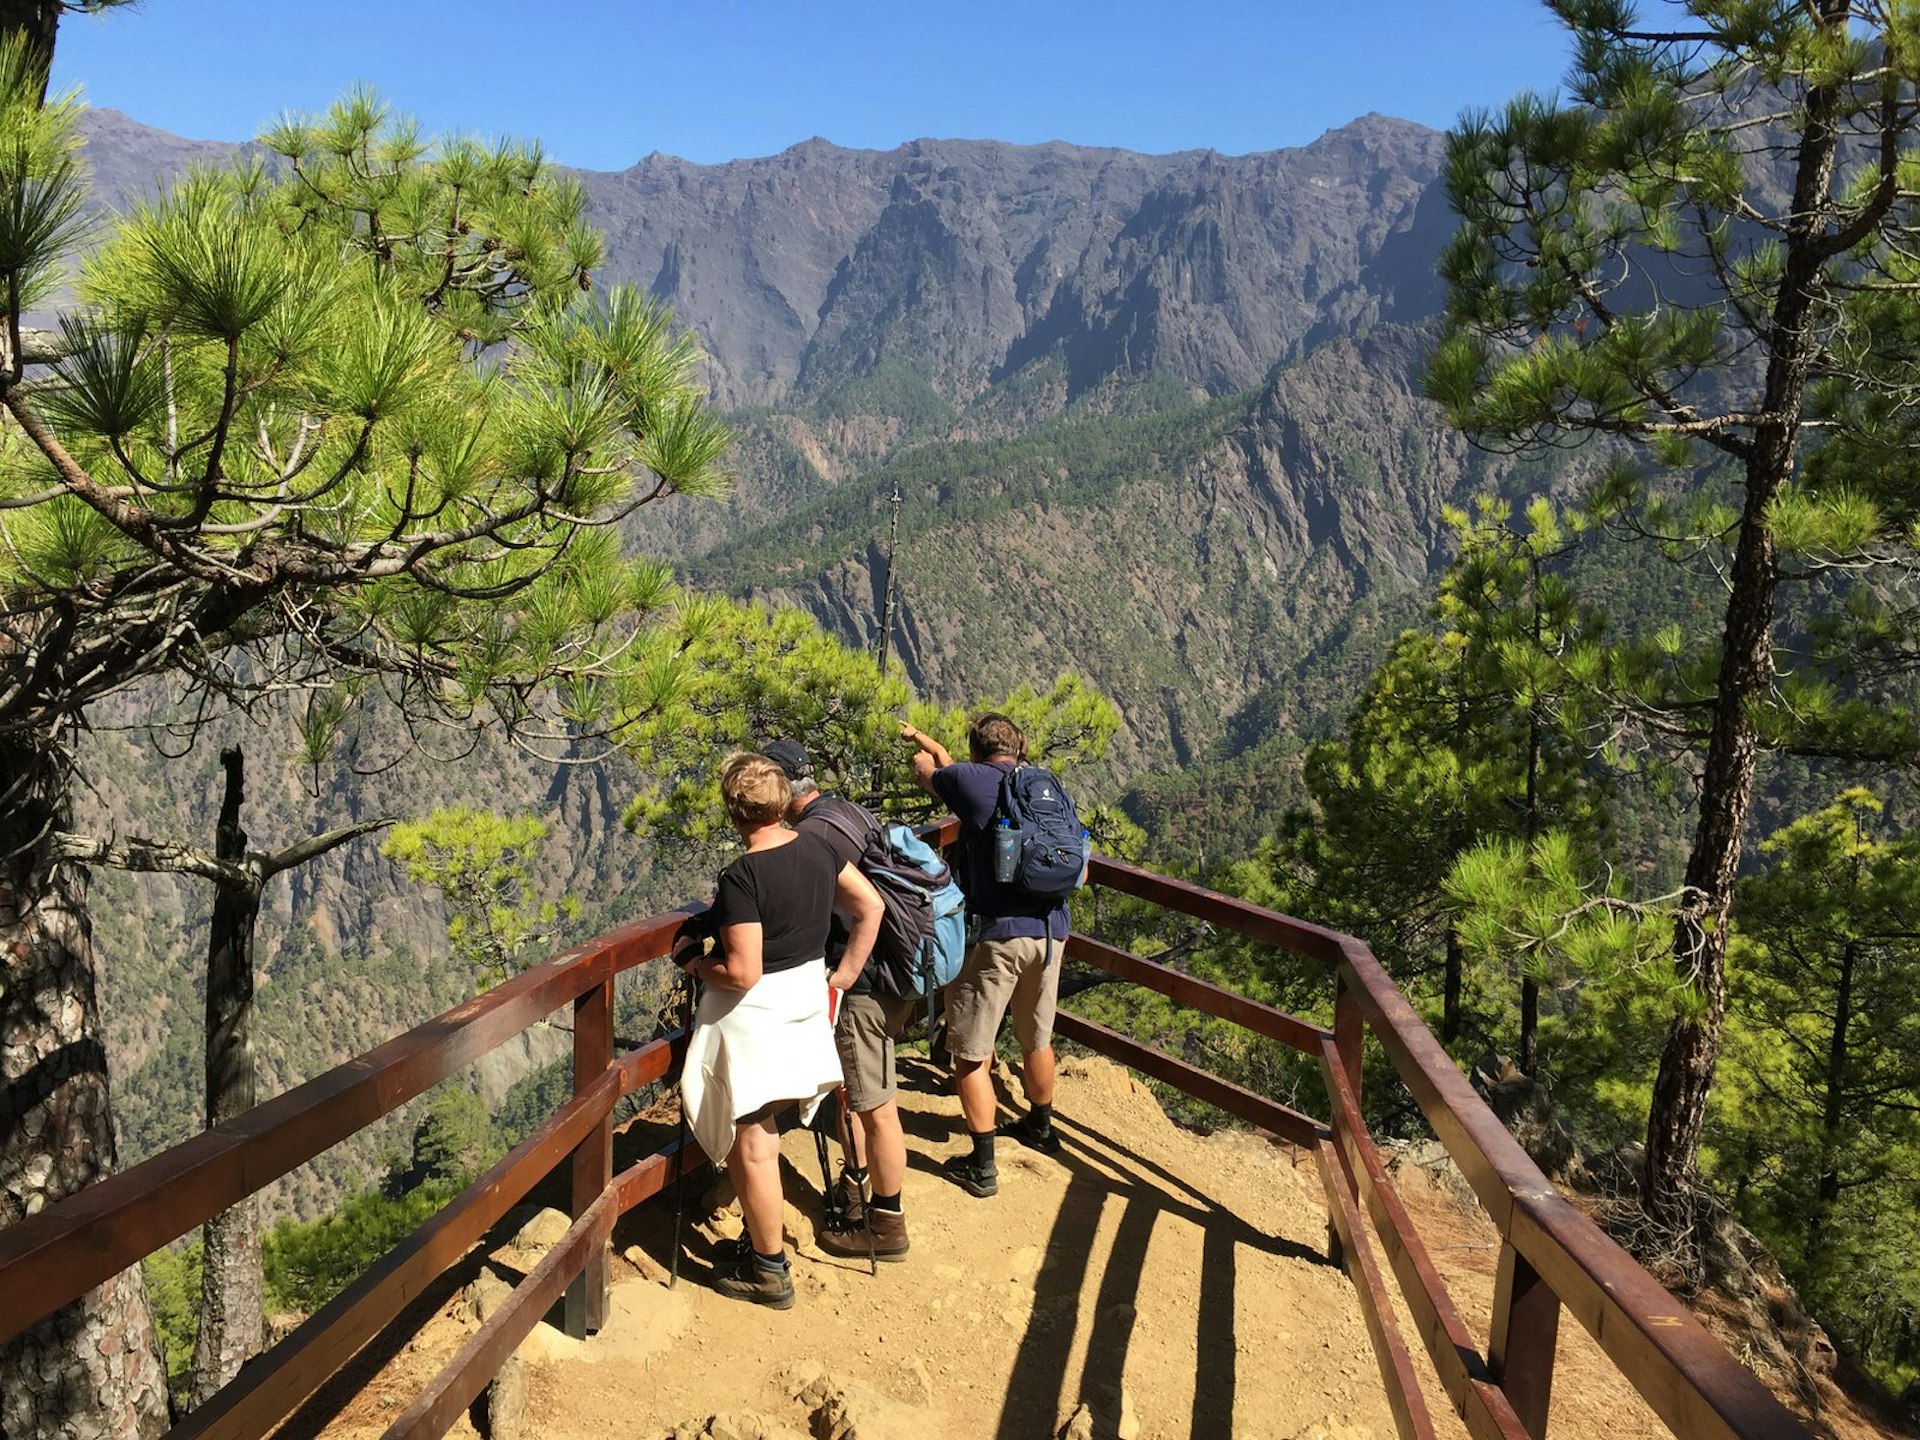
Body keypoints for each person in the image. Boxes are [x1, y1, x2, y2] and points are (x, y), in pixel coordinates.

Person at [672, 752, 883, 1307]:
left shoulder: (743, 875)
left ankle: (769, 1268)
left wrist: (694, 960)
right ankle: (760, 1246)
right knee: (765, 1130)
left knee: (755, 1138)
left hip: (755, 1022)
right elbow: (871, 906)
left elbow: (742, 972)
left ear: (734, 813)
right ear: (784, 800)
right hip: (806, 1005)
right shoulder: (817, 844)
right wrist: (842, 976)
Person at [762, 737, 916, 1261]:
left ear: (781, 792)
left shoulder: (813, 837)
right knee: (862, 1098)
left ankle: (885, 1224)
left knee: (873, 1108)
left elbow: (866, 908)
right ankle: (857, 1191)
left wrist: (842, 977)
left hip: (866, 984)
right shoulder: (846, 811)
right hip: (899, 974)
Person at [904, 712, 1065, 1199]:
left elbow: (933, 773)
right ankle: (1040, 1126)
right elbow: (953, 769)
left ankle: (982, 1164)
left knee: (970, 1053)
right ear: (1019, 749)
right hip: (1051, 930)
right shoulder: (1039, 784)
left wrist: (917, 752)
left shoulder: (965, 780)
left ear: (975, 752)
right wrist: (926, 739)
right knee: (1036, 1038)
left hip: (997, 938)